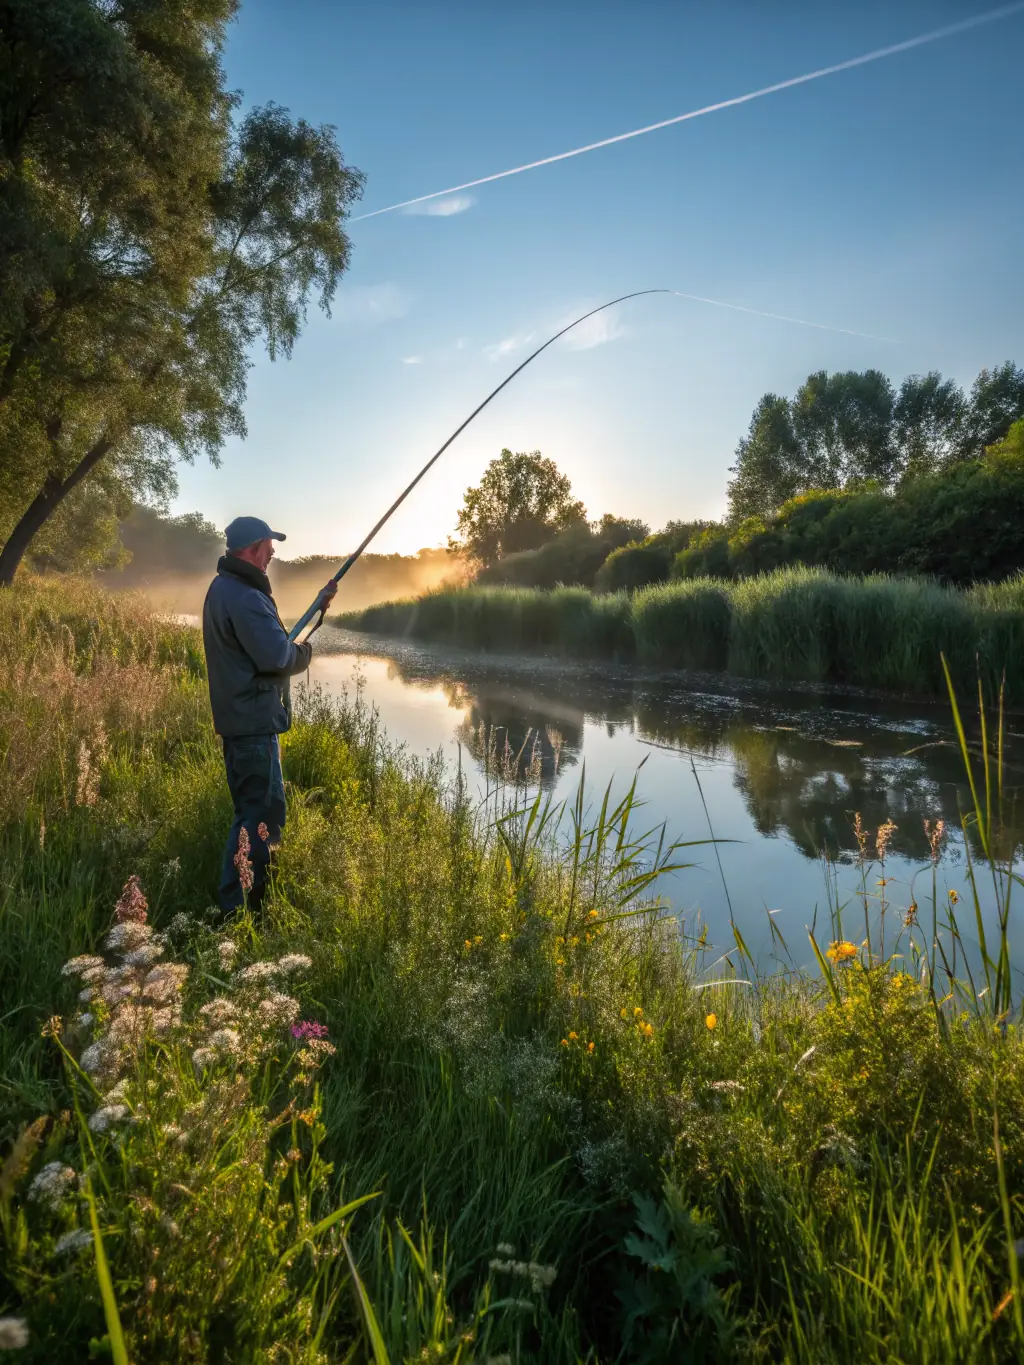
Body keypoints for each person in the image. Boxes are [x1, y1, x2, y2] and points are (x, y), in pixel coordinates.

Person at [202, 516, 337, 915]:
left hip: (245, 722)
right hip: (252, 728)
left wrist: (319, 606)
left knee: (258, 814)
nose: (273, 553)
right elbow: (279, 655)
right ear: (253, 547)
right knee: (256, 822)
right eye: (269, 546)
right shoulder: (244, 596)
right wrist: (305, 654)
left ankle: (249, 906)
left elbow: (266, 647)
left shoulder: (225, 588)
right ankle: (238, 913)